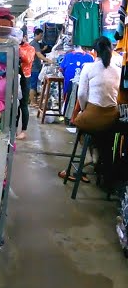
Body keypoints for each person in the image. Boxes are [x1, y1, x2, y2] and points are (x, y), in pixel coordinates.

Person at [66, 36, 122, 188]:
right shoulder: (118, 70)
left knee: (83, 127)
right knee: (104, 134)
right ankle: (99, 160)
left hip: (92, 116)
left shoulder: (89, 67)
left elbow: (82, 95)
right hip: (112, 117)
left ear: (94, 51)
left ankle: (90, 159)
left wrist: (84, 110)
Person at [16, 34, 35, 140]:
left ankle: (24, 130)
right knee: (15, 105)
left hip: (25, 78)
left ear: (24, 37)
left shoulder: (30, 48)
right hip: (15, 77)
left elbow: (27, 59)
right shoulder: (14, 46)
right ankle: (14, 129)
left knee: (23, 105)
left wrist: (17, 49)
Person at [29, 28, 54, 107]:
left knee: (34, 84)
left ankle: (33, 101)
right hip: (34, 68)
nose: (41, 37)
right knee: (33, 85)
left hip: (35, 66)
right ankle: (32, 102)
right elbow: (39, 55)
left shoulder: (34, 43)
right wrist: (47, 60)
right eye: (40, 35)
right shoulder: (34, 43)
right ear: (36, 35)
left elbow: (38, 52)